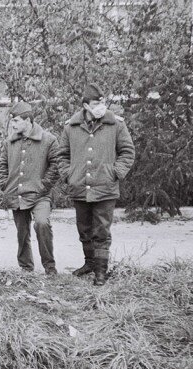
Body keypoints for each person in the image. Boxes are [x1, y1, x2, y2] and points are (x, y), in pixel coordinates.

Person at [58, 83, 135, 286]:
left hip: (105, 188)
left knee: (101, 231)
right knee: (84, 229)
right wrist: (69, 175)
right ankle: (89, 263)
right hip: (79, 187)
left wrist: (115, 173)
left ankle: (101, 271)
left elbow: (128, 152)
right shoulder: (71, 127)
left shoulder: (116, 125)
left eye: (102, 101)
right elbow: (62, 156)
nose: (101, 105)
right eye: (95, 102)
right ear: (85, 105)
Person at [0, 101, 61, 275]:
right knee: (22, 233)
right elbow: (2, 165)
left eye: (16, 120)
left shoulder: (49, 140)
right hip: (16, 194)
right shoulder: (9, 142)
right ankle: (26, 268)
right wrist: (5, 184)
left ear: (28, 121)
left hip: (41, 194)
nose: (13, 124)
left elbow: (56, 164)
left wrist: (44, 185)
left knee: (42, 224)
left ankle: (50, 267)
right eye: (12, 121)